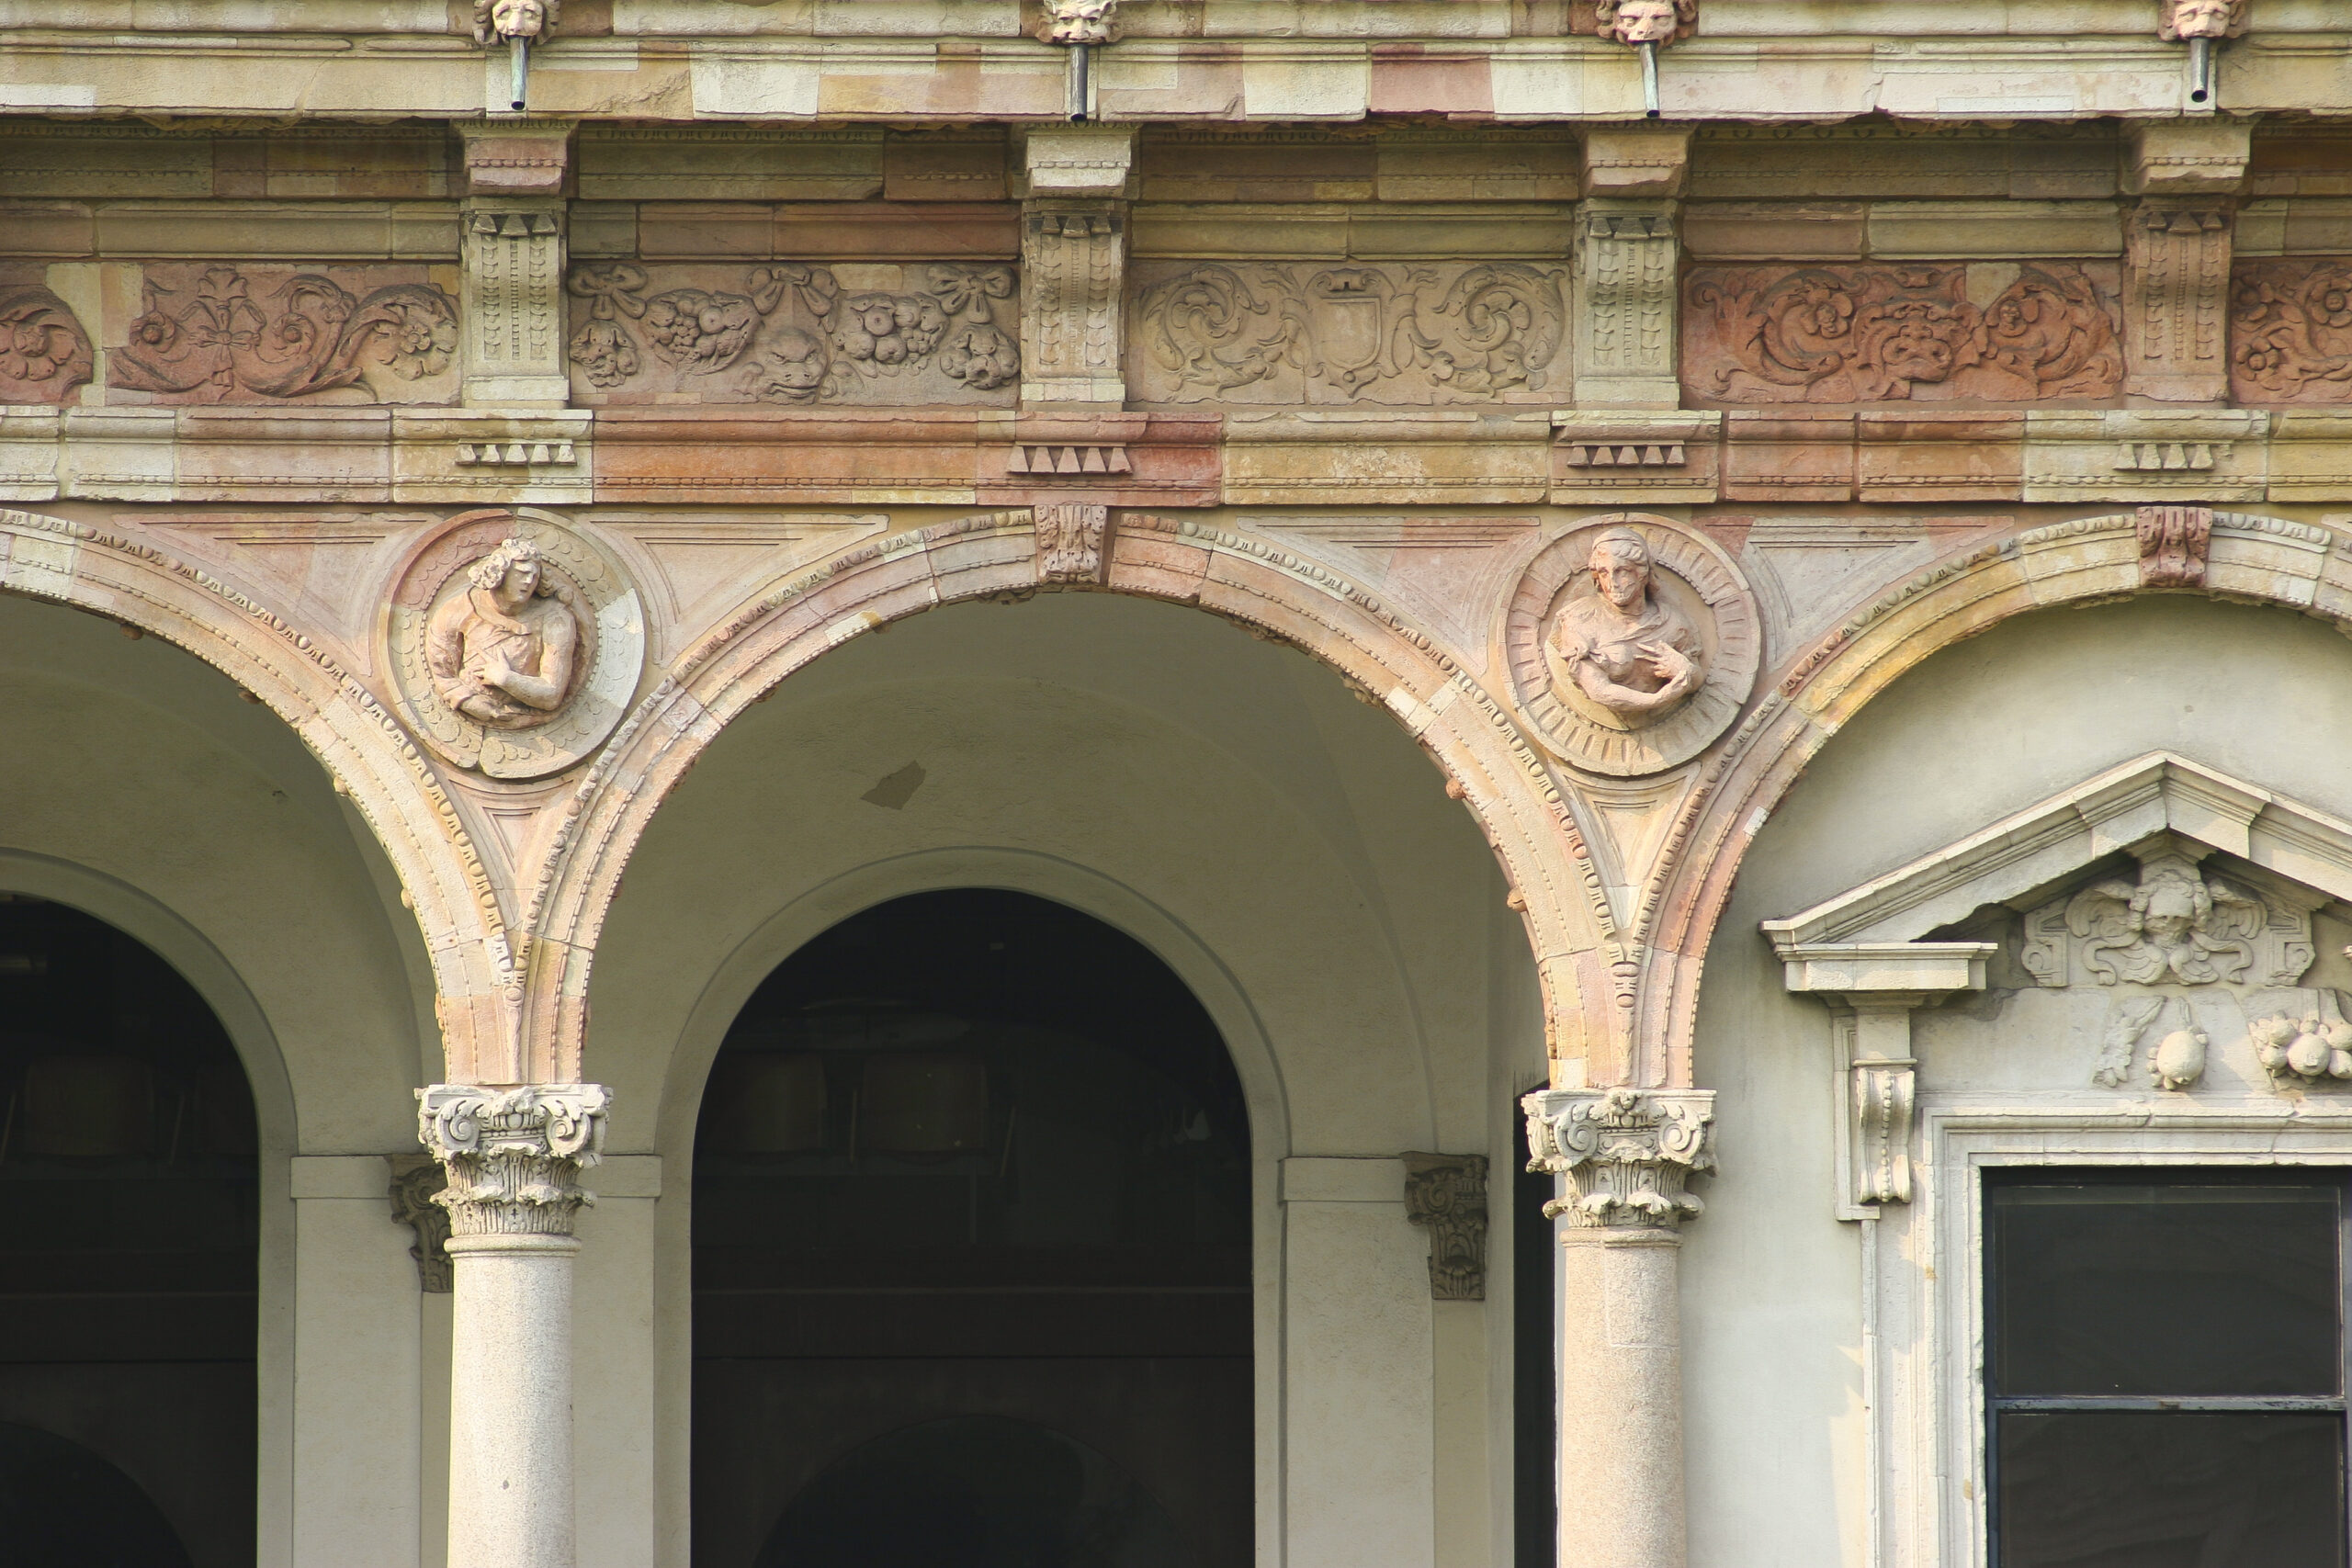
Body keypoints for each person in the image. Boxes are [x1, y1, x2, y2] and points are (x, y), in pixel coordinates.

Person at [1545, 527, 1703, 726]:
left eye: (1622, 571)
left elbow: (1696, 677)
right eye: (1603, 572)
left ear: (1642, 574)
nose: (1612, 583)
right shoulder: (1580, 619)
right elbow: (1598, 689)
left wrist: (1685, 670)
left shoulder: (1673, 622)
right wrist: (1658, 699)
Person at [426, 537, 580, 729]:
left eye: (534, 576)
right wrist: (466, 700)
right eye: (522, 574)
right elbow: (443, 673)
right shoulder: (458, 610)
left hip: (528, 720)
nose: (528, 582)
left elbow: (552, 695)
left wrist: (505, 678)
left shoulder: (556, 619)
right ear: (501, 573)